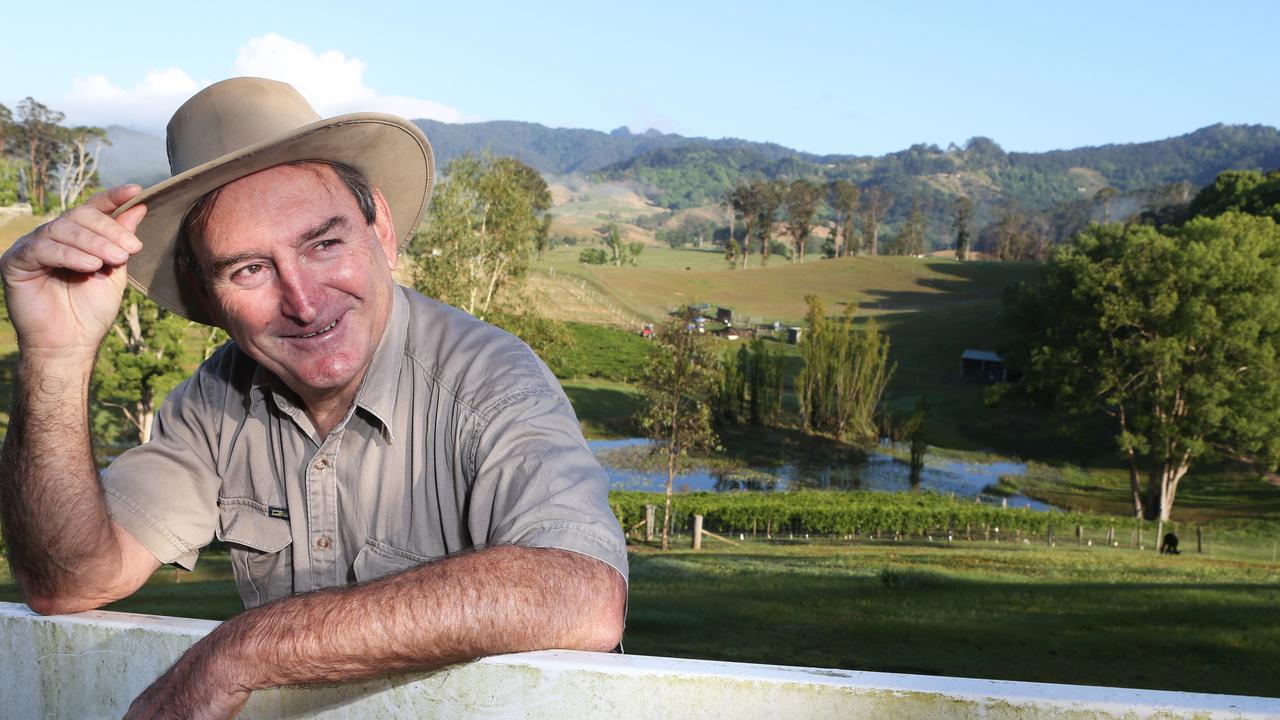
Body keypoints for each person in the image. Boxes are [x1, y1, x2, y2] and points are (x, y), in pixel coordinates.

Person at [0, 77, 627, 717]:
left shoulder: (491, 377)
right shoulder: (214, 401)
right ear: (205, 291)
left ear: (378, 226)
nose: (303, 302)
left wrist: (241, 649)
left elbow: (581, 594)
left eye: (323, 243)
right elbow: (68, 582)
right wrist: (56, 356)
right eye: (249, 269)